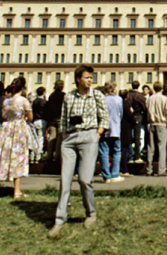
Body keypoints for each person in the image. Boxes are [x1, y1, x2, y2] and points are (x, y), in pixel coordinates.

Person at [49, 64, 108, 237]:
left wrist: (97, 134)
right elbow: (65, 118)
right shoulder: (69, 97)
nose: (90, 80)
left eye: (91, 77)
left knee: (84, 179)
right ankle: (59, 220)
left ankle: (91, 213)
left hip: (89, 137)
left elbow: (104, 118)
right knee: (65, 180)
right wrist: (64, 136)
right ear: (78, 79)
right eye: (87, 77)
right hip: (70, 139)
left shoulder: (97, 95)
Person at [0, 77, 33, 198]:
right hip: (18, 128)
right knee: (17, 156)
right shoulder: (24, 101)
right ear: (22, 87)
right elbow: (30, 116)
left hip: (6, 127)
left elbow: (4, 115)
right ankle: (16, 191)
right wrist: (25, 117)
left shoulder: (6, 101)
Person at [99, 82, 124, 183]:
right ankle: (115, 174)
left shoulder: (102, 99)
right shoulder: (119, 99)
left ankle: (106, 176)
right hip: (116, 128)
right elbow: (121, 114)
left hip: (104, 127)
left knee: (104, 152)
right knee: (116, 151)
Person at [146, 82, 167, 176]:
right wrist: (166, 120)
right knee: (162, 147)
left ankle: (149, 169)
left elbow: (147, 109)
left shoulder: (149, 99)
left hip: (151, 123)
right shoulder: (164, 98)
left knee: (150, 147)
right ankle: (161, 169)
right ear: (162, 88)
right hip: (161, 123)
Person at [44, 80, 65, 163]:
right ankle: (57, 156)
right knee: (60, 137)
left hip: (52, 119)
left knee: (51, 137)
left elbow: (48, 107)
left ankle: (49, 156)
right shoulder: (63, 95)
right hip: (60, 118)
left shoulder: (51, 96)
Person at [125, 81, 147, 162]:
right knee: (137, 137)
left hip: (129, 116)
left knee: (129, 137)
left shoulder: (129, 95)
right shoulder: (140, 96)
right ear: (139, 86)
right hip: (138, 116)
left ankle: (129, 156)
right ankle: (137, 156)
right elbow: (145, 107)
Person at [30, 86, 47, 163]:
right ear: (43, 92)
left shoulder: (34, 101)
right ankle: (38, 157)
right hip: (42, 121)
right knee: (40, 139)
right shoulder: (44, 102)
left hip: (35, 121)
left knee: (34, 139)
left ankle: (32, 156)